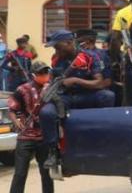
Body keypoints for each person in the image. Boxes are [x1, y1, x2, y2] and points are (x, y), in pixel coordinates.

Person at [40, 30, 115, 169]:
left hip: (87, 95)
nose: (56, 50)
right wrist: (46, 88)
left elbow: (99, 83)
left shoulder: (89, 56)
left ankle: (104, 140)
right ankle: (52, 152)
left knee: (108, 96)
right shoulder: (56, 58)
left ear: (69, 43)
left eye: (58, 46)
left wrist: (75, 80)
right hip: (66, 97)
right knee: (46, 113)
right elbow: (52, 79)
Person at [7, 61, 55, 193]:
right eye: (41, 73)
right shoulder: (22, 90)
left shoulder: (51, 89)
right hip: (26, 137)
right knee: (20, 173)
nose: (44, 75)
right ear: (34, 75)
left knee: (46, 174)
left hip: (44, 137)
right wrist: (15, 121)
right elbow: (11, 108)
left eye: (46, 72)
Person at [76, 28, 118, 105]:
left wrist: (83, 84)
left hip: (94, 92)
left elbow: (107, 82)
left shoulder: (102, 56)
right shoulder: (75, 55)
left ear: (87, 42)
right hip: (76, 92)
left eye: (78, 42)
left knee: (108, 95)